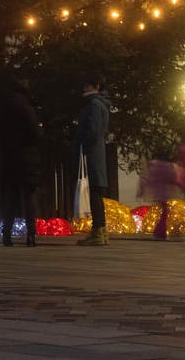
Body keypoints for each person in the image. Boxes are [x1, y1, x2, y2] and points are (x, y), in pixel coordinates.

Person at [0, 76, 42, 247]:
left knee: (11, 198)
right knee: (29, 199)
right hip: (27, 158)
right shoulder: (27, 108)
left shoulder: (3, 109)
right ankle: (31, 235)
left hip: (9, 158)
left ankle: (6, 235)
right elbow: (36, 134)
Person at [74, 76, 112, 246]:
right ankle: (101, 231)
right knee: (97, 191)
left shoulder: (94, 105)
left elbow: (94, 129)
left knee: (95, 192)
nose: (84, 87)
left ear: (95, 86)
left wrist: (82, 140)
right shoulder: (99, 104)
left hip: (93, 151)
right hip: (97, 151)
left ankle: (98, 232)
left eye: (88, 84)